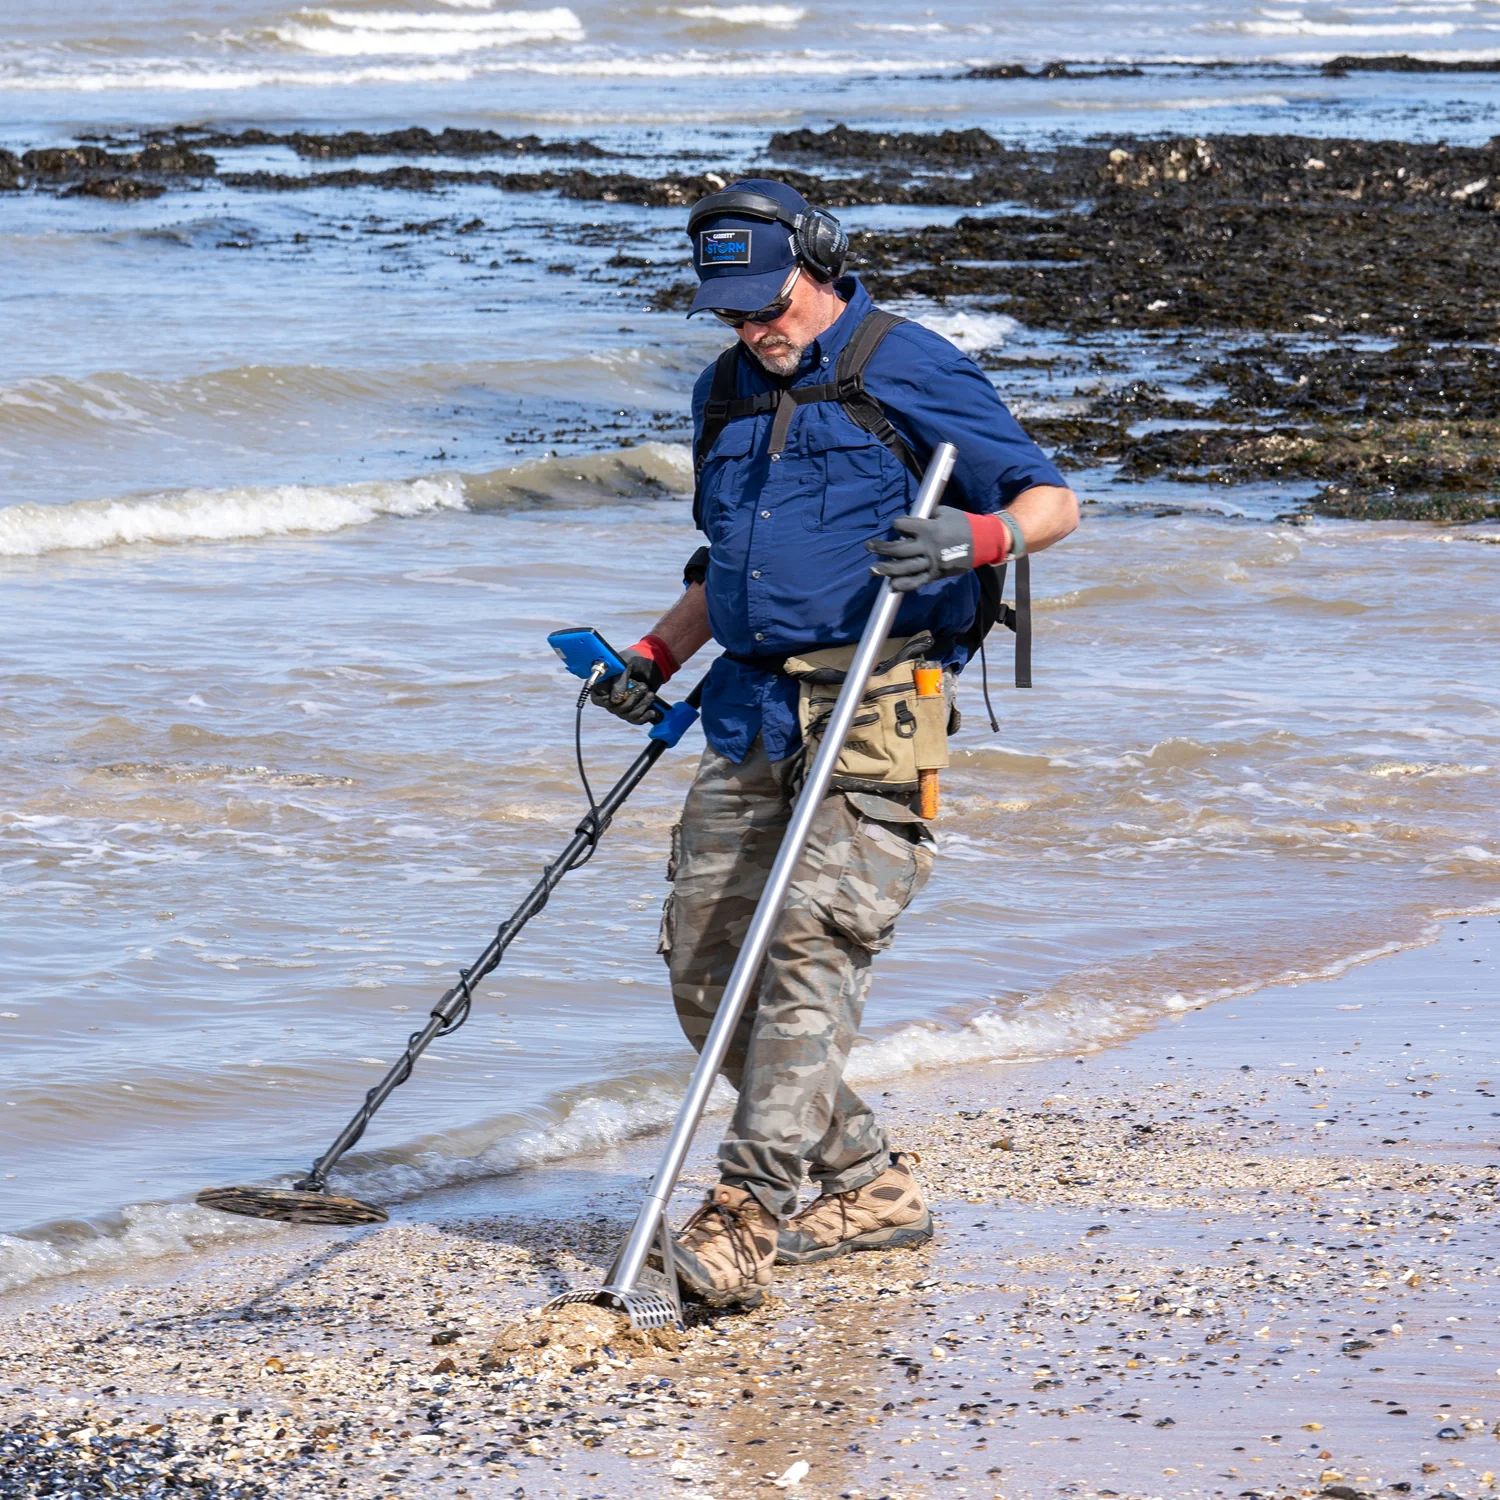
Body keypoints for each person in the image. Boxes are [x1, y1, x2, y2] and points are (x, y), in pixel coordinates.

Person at [592, 178, 1078, 1309]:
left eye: (771, 301)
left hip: (875, 698)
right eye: (732, 310)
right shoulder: (724, 389)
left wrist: (978, 535)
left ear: (819, 262)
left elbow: (1055, 500)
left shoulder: (906, 365)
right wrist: (655, 658)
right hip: (746, 708)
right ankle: (866, 1183)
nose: (755, 327)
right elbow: (728, 565)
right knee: (707, 966)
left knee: (814, 942)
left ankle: (743, 1213)